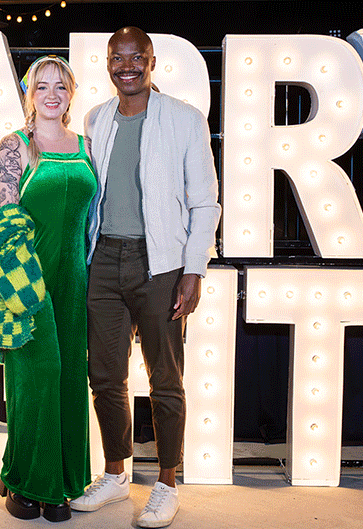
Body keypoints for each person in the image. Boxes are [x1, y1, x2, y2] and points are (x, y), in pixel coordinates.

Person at [70, 27, 221, 528]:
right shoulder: (97, 118)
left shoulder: (183, 118)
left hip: (160, 264)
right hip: (104, 261)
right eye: (118, 57)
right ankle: (115, 476)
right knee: (106, 377)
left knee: (165, 379)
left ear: (152, 61)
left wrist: (193, 269)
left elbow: (204, 201)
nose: (127, 65)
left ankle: (167, 483)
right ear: (108, 63)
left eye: (137, 57)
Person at [0, 55, 96, 522]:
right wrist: (20, 288)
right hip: (26, 279)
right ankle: (27, 481)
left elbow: (91, 221)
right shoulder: (15, 147)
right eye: (41, 86)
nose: (51, 94)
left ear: (70, 94)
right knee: (36, 376)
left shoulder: (86, 145)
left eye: (60, 87)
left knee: (68, 379)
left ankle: (59, 480)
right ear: (29, 94)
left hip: (76, 282)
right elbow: (4, 221)